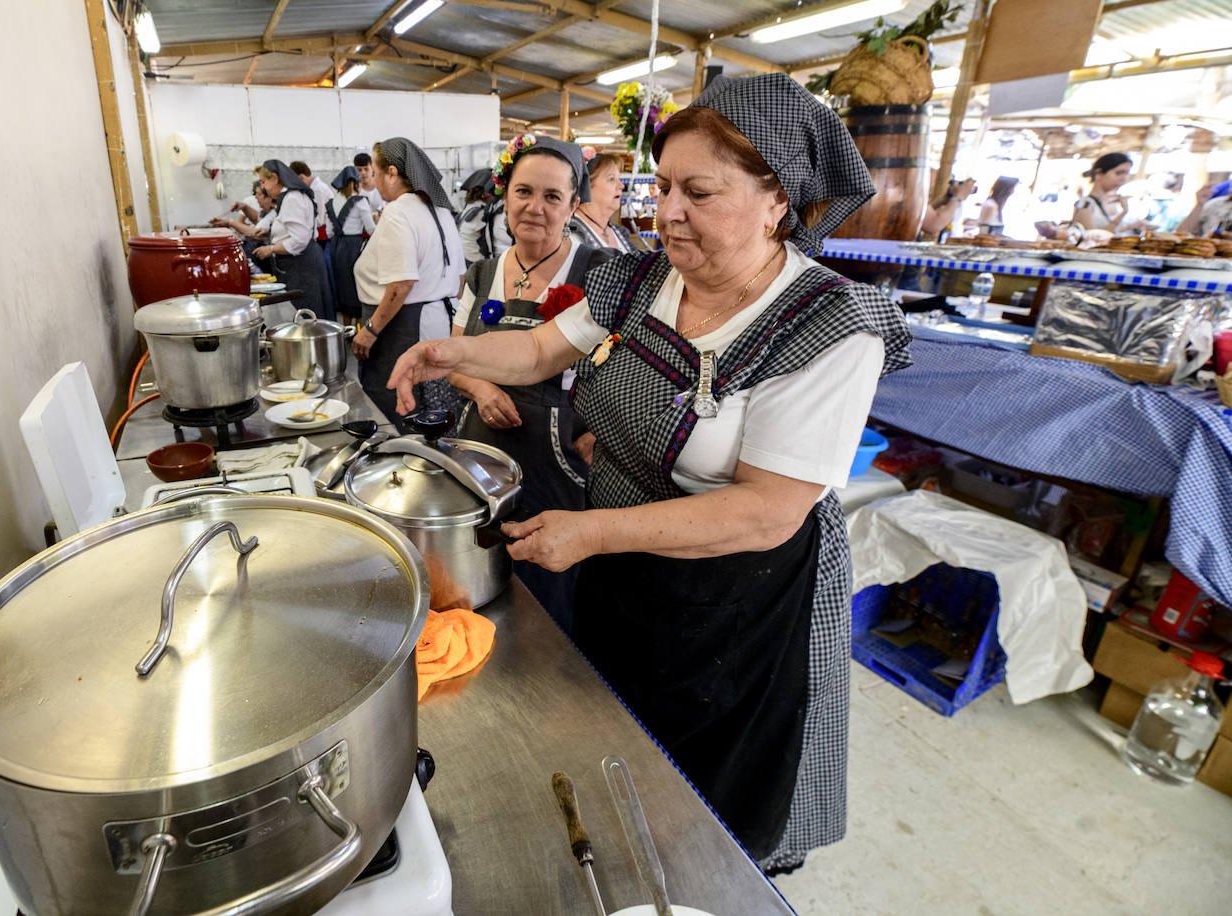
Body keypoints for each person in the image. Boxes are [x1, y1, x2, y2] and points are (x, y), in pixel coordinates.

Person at [387, 73, 911, 871]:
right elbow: (537, 349)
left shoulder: (826, 326)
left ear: (778, 200)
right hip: (623, 570)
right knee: (616, 734)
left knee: (699, 793)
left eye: (698, 191)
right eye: (661, 185)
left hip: (730, 600)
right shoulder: (644, 279)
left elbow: (767, 512)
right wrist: (447, 351)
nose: (667, 211)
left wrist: (592, 529)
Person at [449, 135, 616, 628]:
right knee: (479, 577)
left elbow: (630, 368)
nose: (534, 208)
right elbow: (456, 359)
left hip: (559, 459)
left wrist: (597, 437)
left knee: (548, 592)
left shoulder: (597, 272)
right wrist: (480, 388)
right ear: (505, 196)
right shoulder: (480, 275)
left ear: (572, 208)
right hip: (480, 451)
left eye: (552, 197)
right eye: (523, 192)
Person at [353, 137, 466, 427]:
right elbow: (461, 278)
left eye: (376, 174)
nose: (375, 183)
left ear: (392, 173)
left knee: (397, 403)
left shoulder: (398, 211)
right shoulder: (440, 210)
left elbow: (401, 283)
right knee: (431, 403)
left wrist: (370, 330)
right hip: (439, 317)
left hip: (400, 328)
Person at [253, 160, 336, 321]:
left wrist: (270, 249)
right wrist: (270, 232)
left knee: (307, 314)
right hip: (303, 262)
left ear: (275, 178)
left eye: (263, 182)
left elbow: (299, 240)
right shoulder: (291, 196)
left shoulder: (292, 198)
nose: (263, 187)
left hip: (301, 265)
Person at [326, 165, 377, 321]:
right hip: (354, 247)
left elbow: (329, 231)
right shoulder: (360, 201)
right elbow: (371, 230)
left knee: (341, 287)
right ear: (355, 183)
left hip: (335, 247)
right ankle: (358, 327)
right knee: (356, 286)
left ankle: (346, 326)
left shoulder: (331, 202)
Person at [568, 149, 637, 253]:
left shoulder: (620, 232)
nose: (621, 186)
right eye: (611, 179)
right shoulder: (571, 234)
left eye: (619, 179)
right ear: (587, 185)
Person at [1072, 153, 1132, 231]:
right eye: (1119, 173)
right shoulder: (1084, 204)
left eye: (1126, 174)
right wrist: (1124, 212)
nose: (1123, 179)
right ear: (1099, 174)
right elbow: (1093, 238)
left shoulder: (1111, 202)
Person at [290, 160, 336, 249]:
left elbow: (320, 220)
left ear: (302, 177)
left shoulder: (317, 189)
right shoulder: (314, 188)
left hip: (322, 235)